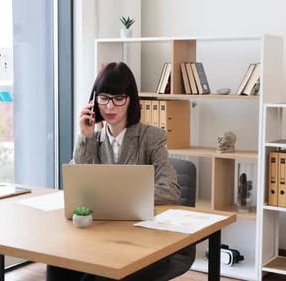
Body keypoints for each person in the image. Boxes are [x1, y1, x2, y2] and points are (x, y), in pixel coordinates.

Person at [47, 62, 189, 281]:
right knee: (57, 265)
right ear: (94, 101)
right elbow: (76, 191)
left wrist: (119, 198)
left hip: (142, 242)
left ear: (130, 99)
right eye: (103, 98)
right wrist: (84, 136)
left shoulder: (151, 138)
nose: (110, 107)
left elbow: (171, 190)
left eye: (118, 98)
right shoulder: (91, 140)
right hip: (100, 236)